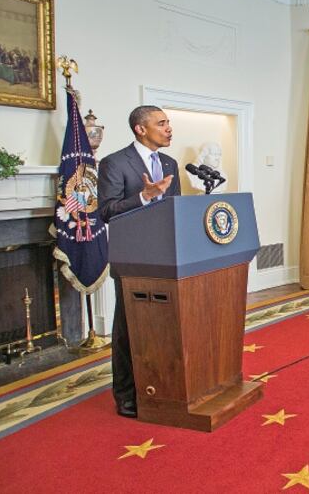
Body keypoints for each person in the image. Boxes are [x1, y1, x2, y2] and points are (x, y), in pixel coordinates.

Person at [97, 105, 182, 419]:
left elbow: (176, 210)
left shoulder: (170, 163)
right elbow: (106, 211)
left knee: (166, 324)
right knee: (128, 327)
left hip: (168, 257)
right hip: (133, 258)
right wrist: (144, 197)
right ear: (140, 129)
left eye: (169, 123)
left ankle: (164, 385)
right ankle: (126, 394)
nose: (169, 128)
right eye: (162, 123)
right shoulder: (115, 163)